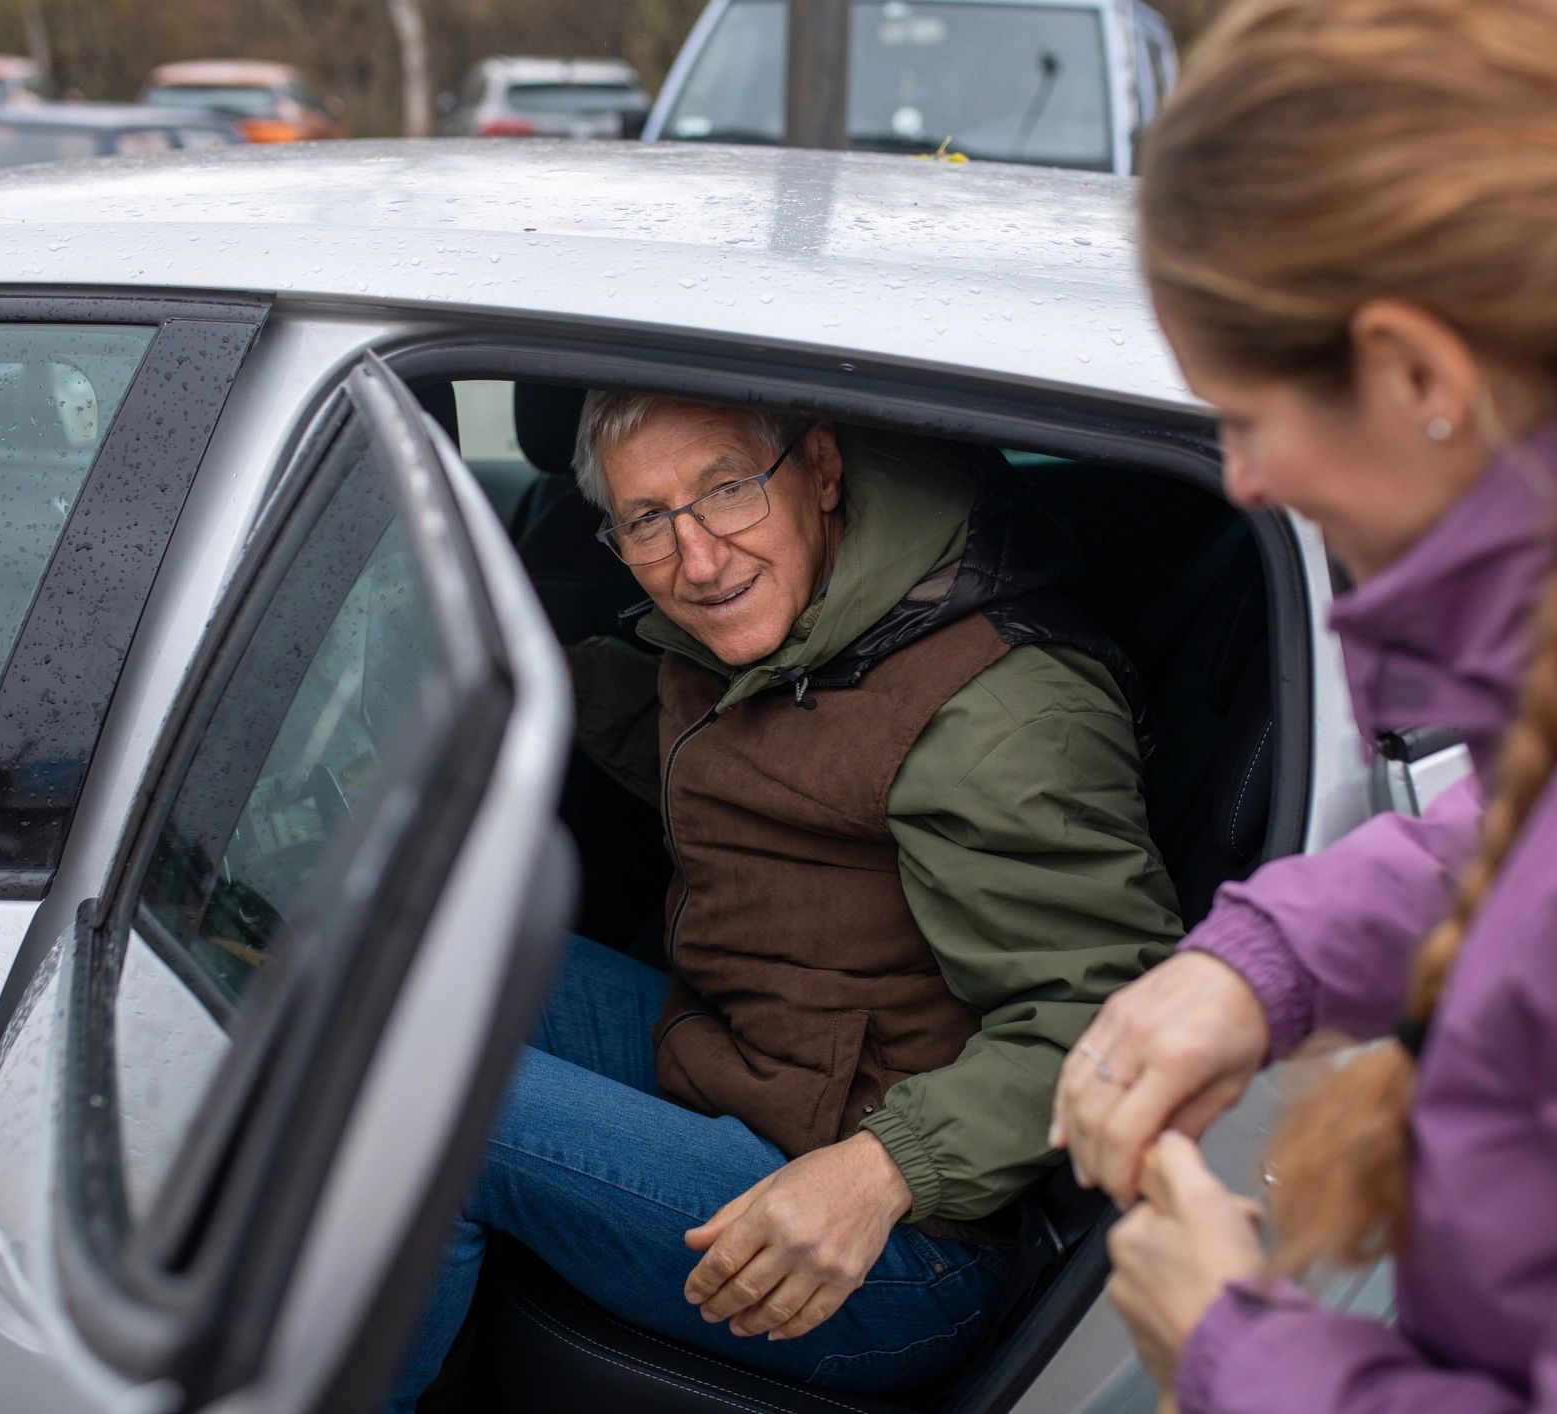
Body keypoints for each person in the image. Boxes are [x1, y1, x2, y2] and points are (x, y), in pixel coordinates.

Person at [1049, 0, 1557, 1408]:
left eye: (1241, 416)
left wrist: (1240, 1346)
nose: (1240, 480)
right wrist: (1263, 960)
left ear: (1420, 373)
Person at [385, 395, 1183, 1408]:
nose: (699, 558)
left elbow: (1119, 1019)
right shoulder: (807, 626)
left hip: (910, 1244)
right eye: (646, 519)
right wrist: (527, 676)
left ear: (821, 468)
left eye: (727, 491)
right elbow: (750, 758)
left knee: (425, 1117)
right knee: (417, 965)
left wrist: (887, 1170)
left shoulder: (998, 708)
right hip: (761, 1068)